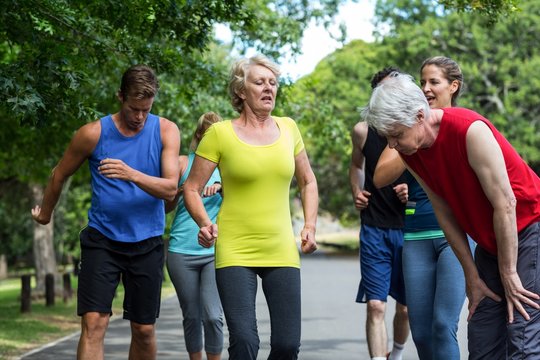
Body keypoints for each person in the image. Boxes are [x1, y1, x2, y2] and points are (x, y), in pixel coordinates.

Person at [363, 72, 540, 359]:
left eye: (396, 135)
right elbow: (443, 210)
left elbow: (506, 204)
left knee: (521, 333)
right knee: (482, 340)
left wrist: (508, 272)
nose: (392, 145)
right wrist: (471, 276)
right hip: (489, 240)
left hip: (528, 229)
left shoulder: (469, 130)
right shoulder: (413, 150)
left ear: (420, 115)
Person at [31, 65, 181, 360]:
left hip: (147, 241)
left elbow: (170, 189)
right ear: (120, 97)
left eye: (146, 110)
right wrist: (46, 213)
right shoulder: (92, 134)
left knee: (144, 329)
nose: (139, 117)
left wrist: (131, 174)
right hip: (102, 240)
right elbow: (59, 174)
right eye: (133, 108)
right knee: (94, 323)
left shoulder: (166, 130)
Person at [183, 54, 318, 360]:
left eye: (273, 83)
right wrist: (205, 223)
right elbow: (191, 188)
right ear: (241, 91)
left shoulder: (289, 128)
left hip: (280, 246)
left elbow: (308, 181)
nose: (269, 88)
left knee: (286, 346)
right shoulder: (220, 133)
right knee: (244, 343)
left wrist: (309, 225)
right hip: (235, 248)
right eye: (259, 82)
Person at [373, 57, 468, 359]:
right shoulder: (410, 134)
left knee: (443, 325)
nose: (426, 88)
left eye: (434, 82)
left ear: (453, 86)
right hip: (416, 233)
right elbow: (379, 177)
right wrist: (412, 142)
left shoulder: (464, 126)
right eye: (422, 82)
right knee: (422, 332)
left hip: (455, 235)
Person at [349, 67, 410, 360]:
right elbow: (357, 166)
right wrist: (356, 191)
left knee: (406, 307)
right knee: (376, 306)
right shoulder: (362, 131)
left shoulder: (414, 129)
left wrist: (411, 192)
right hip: (373, 226)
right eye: (388, 88)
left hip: (408, 228)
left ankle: (395, 354)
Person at [166, 112, 224, 360]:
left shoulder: (228, 167)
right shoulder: (181, 163)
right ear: (198, 135)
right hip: (181, 249)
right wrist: (182, 191)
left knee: (213, 315)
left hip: (215, 250)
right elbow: (166, 207)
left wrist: (222, 188)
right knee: (191, 314)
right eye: (206, 134)